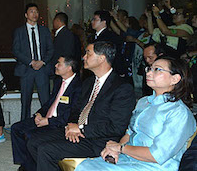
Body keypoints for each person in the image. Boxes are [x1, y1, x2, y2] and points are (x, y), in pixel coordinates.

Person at [26, 41, 135, 171]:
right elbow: (76, 109)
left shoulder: (122, 87)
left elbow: (116, 127)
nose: (83, 57)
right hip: (78, 131)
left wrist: (81, 129)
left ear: (101, 58)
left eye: (88, 53)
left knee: (46, 150)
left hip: (98, 140)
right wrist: (72, 125)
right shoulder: (88, 83)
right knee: (33, 141)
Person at [76, 56, 196, 171]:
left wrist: (121, 148)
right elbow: (130, 133)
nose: (148, 73)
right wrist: (115, 149)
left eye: (157, 70)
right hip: (128, 158)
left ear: (175, 79)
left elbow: (157, 155)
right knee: (86, 165)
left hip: (155, 166)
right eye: (149, 68)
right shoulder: (144, 102)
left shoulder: (178, 112)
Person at [11, 56, 82, 171]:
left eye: (59, 63)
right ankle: (27, 164)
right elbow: (50, 102)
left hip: (58, 123)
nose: (55, 65)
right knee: (16, 129)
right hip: (46, 118)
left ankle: (31, 166)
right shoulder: (58, 81)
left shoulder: (79, 87)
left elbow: (70, 115)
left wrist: (48, 121)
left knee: (30, 135)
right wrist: (39, 114)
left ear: (69, 68)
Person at [13, 3, 54, 120]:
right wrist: (30, 62)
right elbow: (16, 50)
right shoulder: (19, 31)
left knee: (46, 100)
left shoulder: (44, 31)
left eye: (36, 11)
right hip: (26, 70)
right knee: (25, 101)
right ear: (26, 15)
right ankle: (24, 128)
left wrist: (42, 61)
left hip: (42, 70)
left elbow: (51, 49)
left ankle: (47, 127)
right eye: (31, 11)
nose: (34, 14)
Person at [91, 10, 127, 78]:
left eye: (95, 19)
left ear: (104, 22)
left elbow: (116, 55)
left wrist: (120, 71)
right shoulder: (94, 36)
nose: (92, 21)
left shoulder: (110, 37)